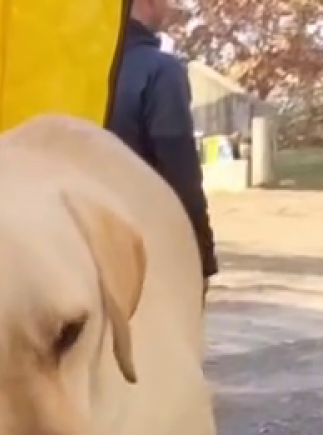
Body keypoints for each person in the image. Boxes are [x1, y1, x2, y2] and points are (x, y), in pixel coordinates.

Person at [108, 0, 218, 292]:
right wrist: (202, 259)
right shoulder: (160, 71)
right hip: (145, 252)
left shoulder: (76, 74)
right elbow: (181, 174)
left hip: (82, 246)